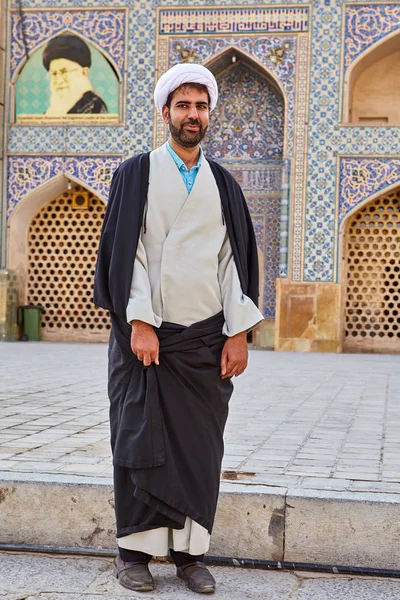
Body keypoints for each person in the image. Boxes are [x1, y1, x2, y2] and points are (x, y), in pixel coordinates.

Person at [94, 63, 263, 594]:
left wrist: (237, 332)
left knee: (199, 446)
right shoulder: (137, 173)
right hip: (147, 337)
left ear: (209, 115)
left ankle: (191, 555)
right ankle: (133, 554)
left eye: (201, 106)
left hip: (204, 342)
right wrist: (140, 323)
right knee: (140, 437)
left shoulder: (224, 184)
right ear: (165, 112)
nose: (193, 115)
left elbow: (234, 261)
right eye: (183, 106)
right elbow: (130, 253)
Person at [42, 34, 108, 116]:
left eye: (64, 72)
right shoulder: (50, 112)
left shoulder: (95, 108)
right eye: (54, 74)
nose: (59, 80)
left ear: (84, 73)